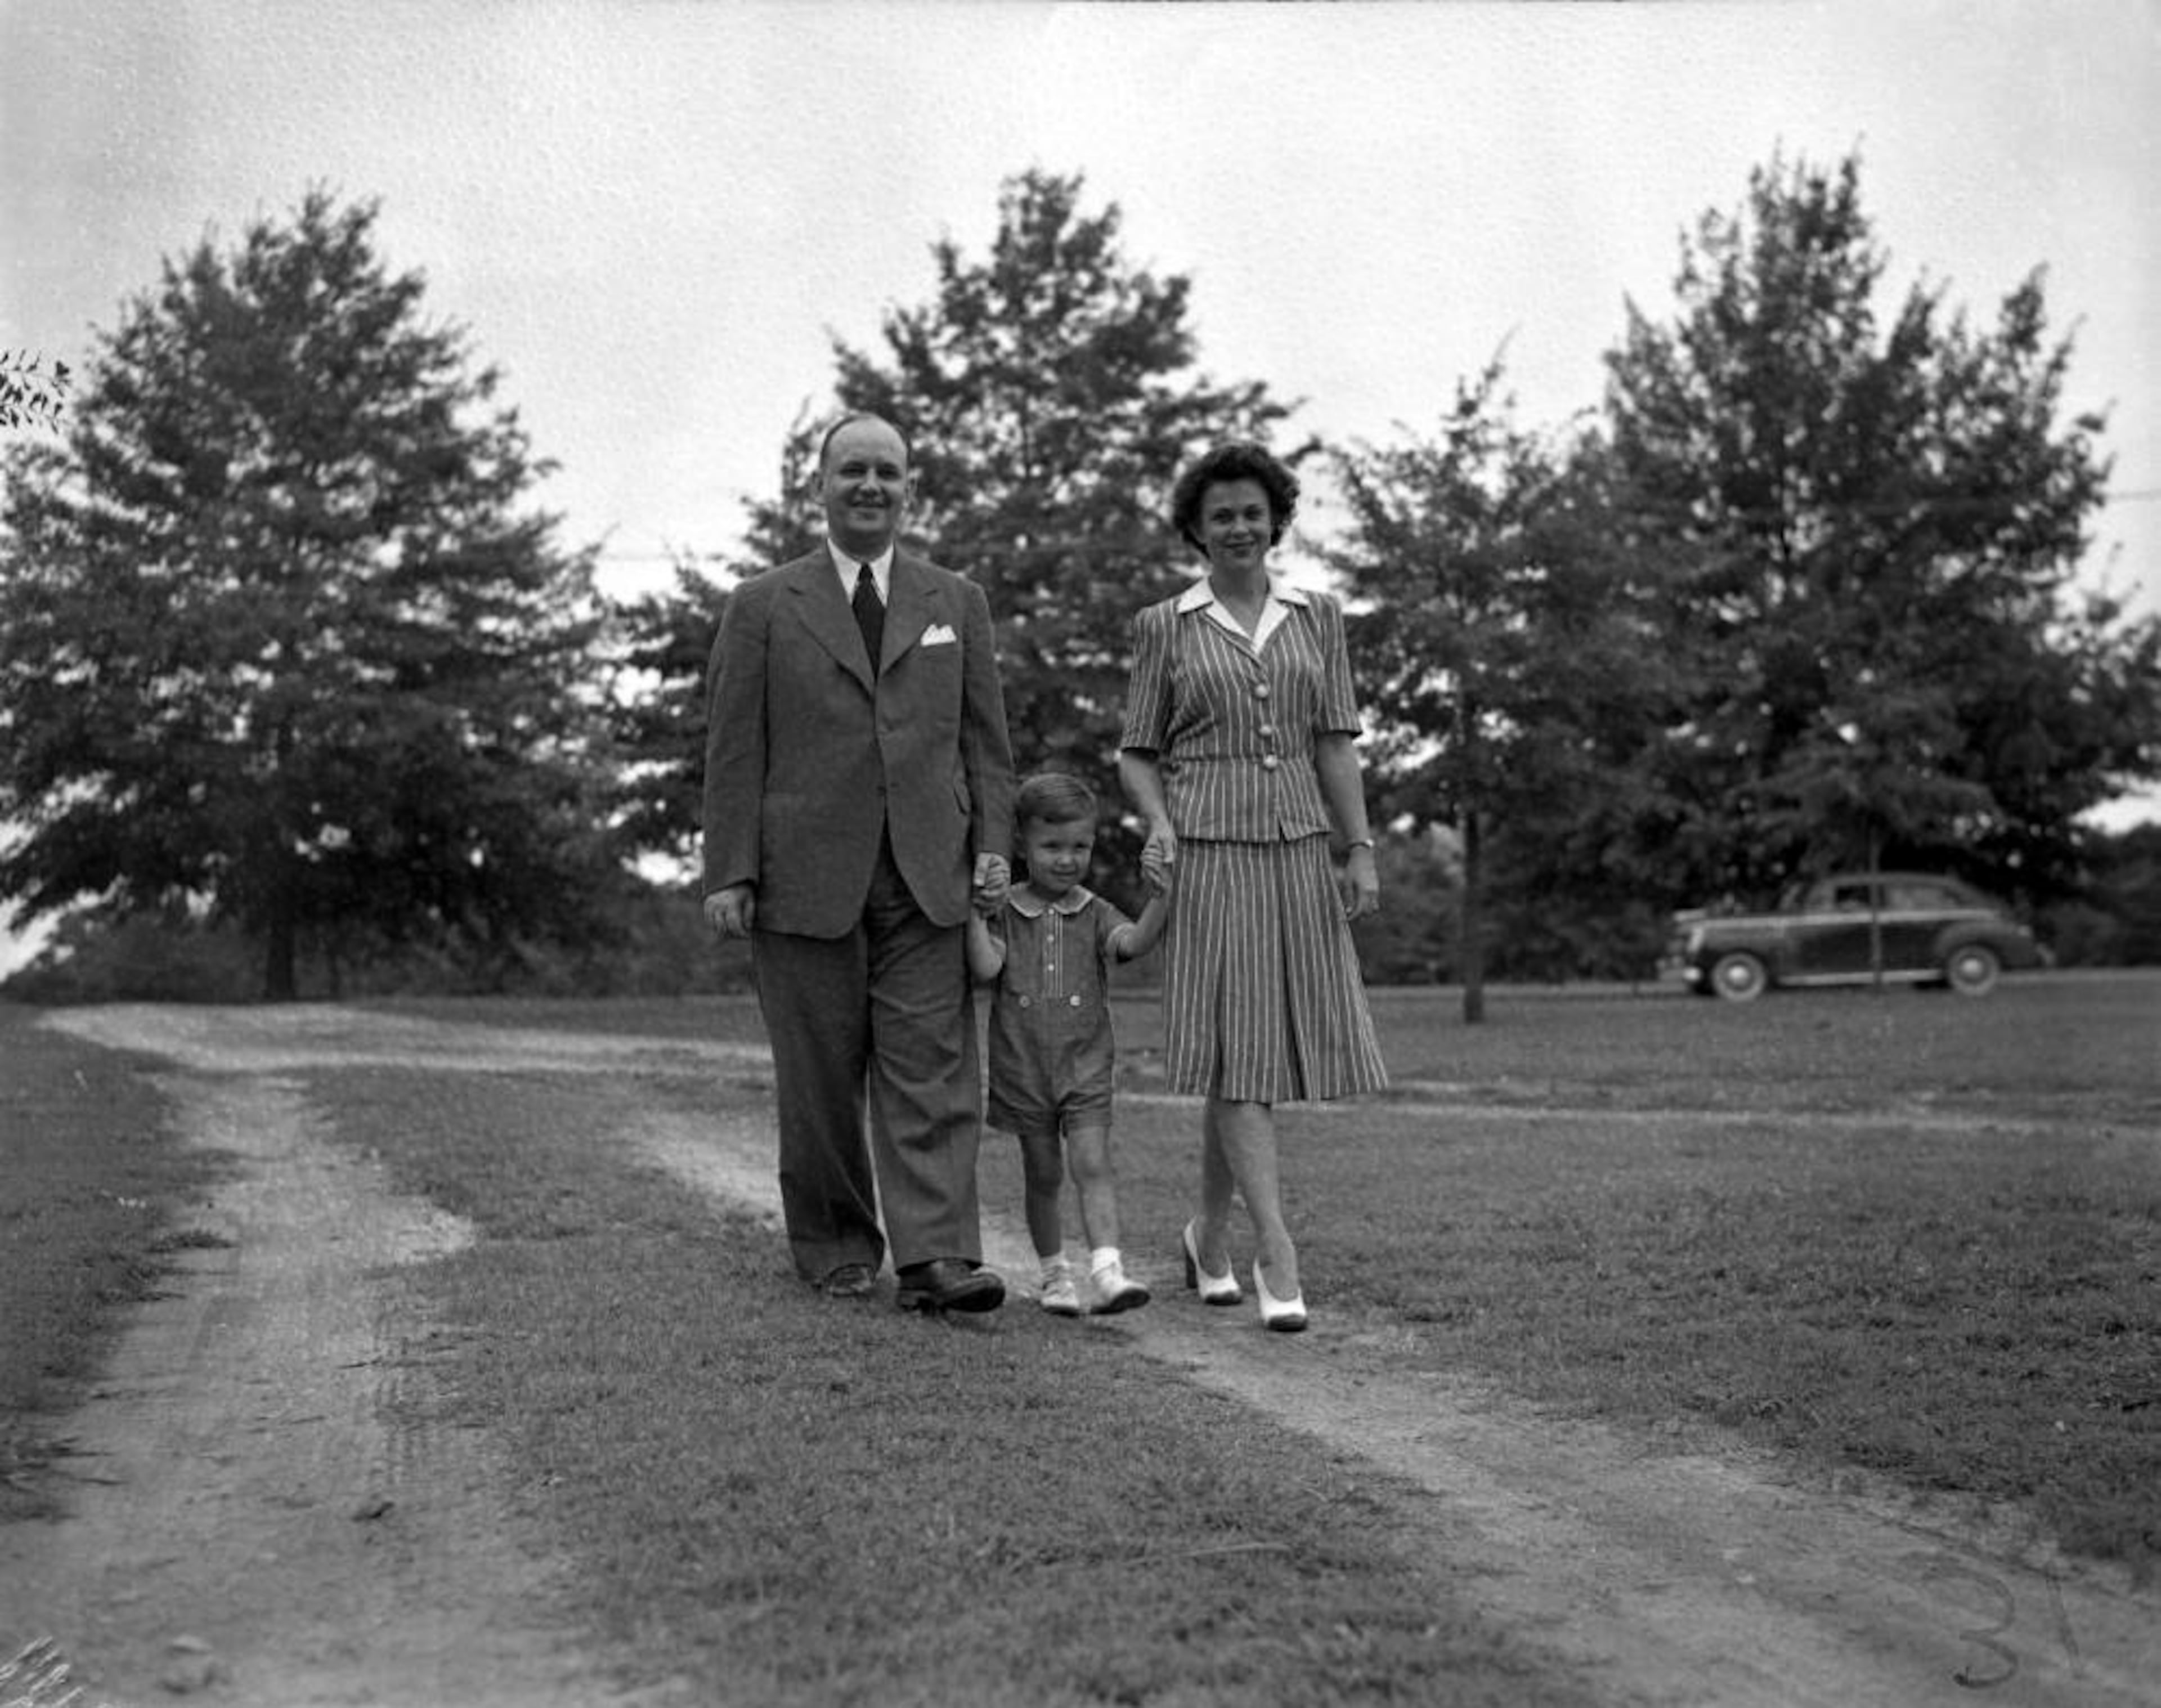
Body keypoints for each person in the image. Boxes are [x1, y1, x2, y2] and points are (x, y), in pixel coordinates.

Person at [702, 412, 1016, 1313]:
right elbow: (733, 748)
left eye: (887, 472)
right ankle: (837, 1242)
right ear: (822, 488)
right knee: (818, 1077)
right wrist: (731, 869)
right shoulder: (763, 604)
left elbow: (987, 745)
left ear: (910, 488)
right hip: (800, 876)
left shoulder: (958, 602)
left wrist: (992, 850)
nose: (870, 486)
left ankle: (939, 1257)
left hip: (930, 875)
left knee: (933, 1068)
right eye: (852, 472)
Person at [1117, 441, 1387, 1333]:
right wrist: (1159, 822)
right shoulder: (1167, 624)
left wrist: (1360, 847)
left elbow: (1335, 742)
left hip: (1299, 849)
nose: (1238, 526)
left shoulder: (1319, 615)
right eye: (1220, 514)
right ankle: (1277, 1245)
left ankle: (1205, 1235)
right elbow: (1136, 751)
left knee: (1253, 1057)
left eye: (1251, 511)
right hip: (1209, 852)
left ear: (1276, 520)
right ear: (1195, 530)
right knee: (1242, 1057)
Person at [966, 772, 1171, 1318]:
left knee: (1092, 1162)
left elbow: (1134, 943)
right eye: (1052, 846)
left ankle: (1107, 1271)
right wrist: (971, 912)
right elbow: (985, 966)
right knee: (1043, 1172)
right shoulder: (1005, 909)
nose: (1066, 859)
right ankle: (1055, 1272)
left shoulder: (1096, 910)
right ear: (1022, 846)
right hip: (1023, 1066)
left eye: (1079, 846)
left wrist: (1162, 897)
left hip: (1085, 1065)